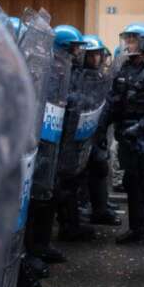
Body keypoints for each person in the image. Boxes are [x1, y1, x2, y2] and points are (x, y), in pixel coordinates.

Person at [94, 23, 144, 251]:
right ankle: (136, 229)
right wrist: (101, 129)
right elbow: (113, 100)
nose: (128, 44)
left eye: (133, 40)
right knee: (131, 182)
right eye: (128, 39)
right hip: (126, 134)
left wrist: (142, 127)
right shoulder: (124, 67)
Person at [51, 24, 98, 242]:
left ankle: (71, 226)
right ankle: (65, 228)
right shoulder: (54, 71)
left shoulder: (71, 69)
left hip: (70, 135)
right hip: (57, 137)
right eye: (75, 48)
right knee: (59, 186)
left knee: (70, 183)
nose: (79, 52)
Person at [79, 34, 122, 228]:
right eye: (92, 55)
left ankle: (100, 207)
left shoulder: (99, 76)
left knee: (100, 168)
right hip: (80, 134)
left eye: (98, 54)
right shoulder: (78, 75)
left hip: (97, 131)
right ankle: (84, 211)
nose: (96, 59)